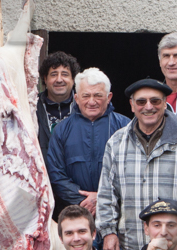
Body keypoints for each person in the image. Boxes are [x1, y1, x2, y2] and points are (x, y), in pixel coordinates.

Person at [96, 79, 177, 250]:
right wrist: (108, 232)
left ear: (165, 104)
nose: (148, 107)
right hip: (131, 247)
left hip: (175, 248)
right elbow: (107, 194)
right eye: (141, 101)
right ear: (132, 105)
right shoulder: (116, 143)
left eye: (155, 101)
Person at [46, 68, 130, 212]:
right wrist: (84, 201)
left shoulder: (126, 127)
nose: (92, 102)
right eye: (86, 96)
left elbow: (133, 171)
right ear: (77, 98)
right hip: (76, 212)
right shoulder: (62, 129)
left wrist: (103, 198)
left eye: (98, 95)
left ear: (109, 97)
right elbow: (55, 174)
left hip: (117, 209)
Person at [36, 50, 79, 155]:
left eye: (65, 74)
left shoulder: (83, 107)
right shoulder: (32, 106)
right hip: (42, 170)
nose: (59, 80)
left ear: (73, 79)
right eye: (54, 74)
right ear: (45, 79)